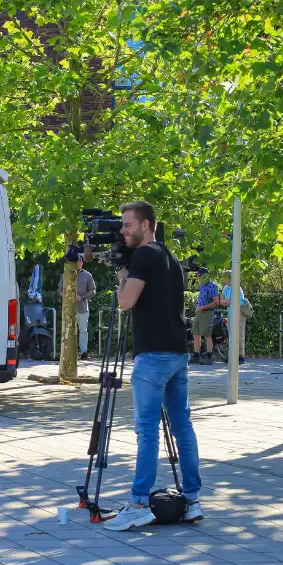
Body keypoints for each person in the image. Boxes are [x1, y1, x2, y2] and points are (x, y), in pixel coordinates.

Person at [106, 201, 202, 531]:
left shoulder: (145, 256)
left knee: (146, 431)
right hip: (177, 352)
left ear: (146, 225)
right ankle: (191, 500)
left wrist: (122, 274)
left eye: (127, 226)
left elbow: (125, 301)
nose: (122, 231)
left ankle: (139, 503)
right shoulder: (170, 259)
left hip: (153, 356)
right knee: (182, 428)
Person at [58, 254, 97, 358]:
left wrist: (83, 297)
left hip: (82, 307)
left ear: (82, 263)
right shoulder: (65, 274)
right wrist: (68, 296)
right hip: (68, 307)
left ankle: (83, 352)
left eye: (79, 262)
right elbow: (59, 291)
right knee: (68, 330)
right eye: (75, 262)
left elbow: (93, 291)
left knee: (83, 330)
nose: (77, 263)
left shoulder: (87, 275)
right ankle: (68, 352)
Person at [218, 272, 252, 364]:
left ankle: (241, 356)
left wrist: (227, 301)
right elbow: (222, 301)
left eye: (224, 277)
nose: (223, 279)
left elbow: (233, 301)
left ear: (229, 278)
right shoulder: (225, 288)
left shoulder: (237, 288)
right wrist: (226, 301)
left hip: (239, 313)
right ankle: (232, 355)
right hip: (230, 312)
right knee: (231, 334)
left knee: (239, 333)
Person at [191, 269, 219, 365]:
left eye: (199, 276)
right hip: (199, 312)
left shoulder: (213, 286)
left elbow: (216, 302)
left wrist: (203, 307)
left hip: (208, 312)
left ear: (205, 276)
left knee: (207, 334)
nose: (198, 278)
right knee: (195, 333)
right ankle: (196, 355)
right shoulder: (202, 285)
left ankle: (209, 356)